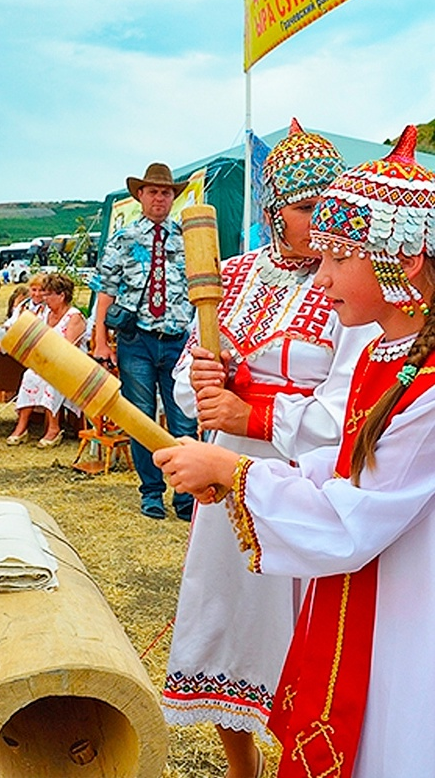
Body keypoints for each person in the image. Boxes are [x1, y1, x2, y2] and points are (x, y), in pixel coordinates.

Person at [154, 127, 435, 778]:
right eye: (305, 214)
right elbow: (347, 466)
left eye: (339, 253)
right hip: (285, 503)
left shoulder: (403, 364)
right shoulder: (389, 352)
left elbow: (352, 497)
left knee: (392, 714)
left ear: (406, 262)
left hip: (349, 547)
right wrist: (217, 420)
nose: (321, 264)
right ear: (273, 207)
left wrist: (239, 454)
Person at [93, 162, 197, 521]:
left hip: (178, 342)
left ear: (173, 198)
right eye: (152, 191)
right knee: (141, 419)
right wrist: (100, 342)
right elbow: (104, 292)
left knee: (184, 419)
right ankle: (151, 492)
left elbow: (203, 288)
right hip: (136, 338)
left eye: (165, 192)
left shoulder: (188, 237)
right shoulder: (123, 239)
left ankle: (185, 496)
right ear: (140, 195)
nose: (159, 198)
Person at [7, 273, 87, 448]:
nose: (44, 297)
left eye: (49, 294)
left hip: (71, 366)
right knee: (29, 375)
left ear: (62, 295)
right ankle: (22, 426)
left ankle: (54, 428)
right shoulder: (45, 313)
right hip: (47, 363)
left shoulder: (75, 317)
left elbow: (69, 349)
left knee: (52, 379)